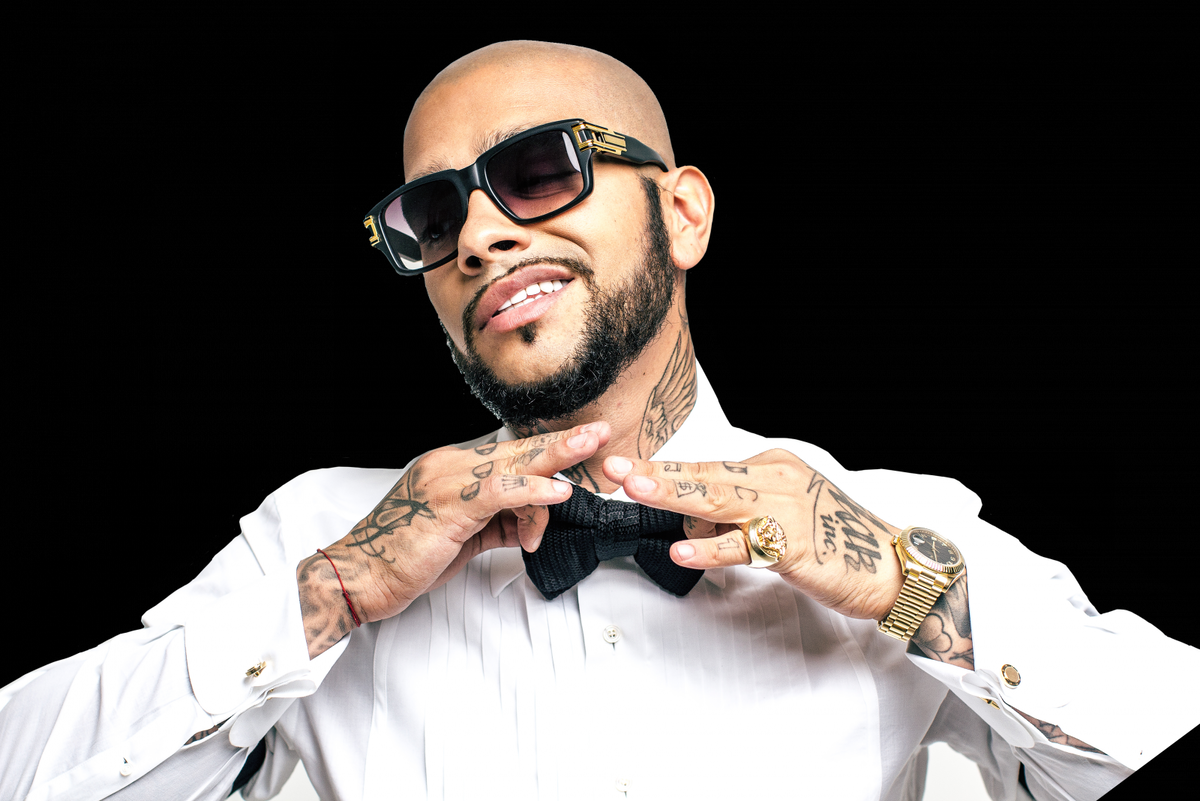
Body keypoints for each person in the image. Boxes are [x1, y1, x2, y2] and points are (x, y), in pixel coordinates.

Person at [3, 40, 1196, 801]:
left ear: (683, 214)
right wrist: (331, 593)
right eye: (434, 216)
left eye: (537, 171)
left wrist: (910, 590)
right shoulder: (323, 532)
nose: (481, 238)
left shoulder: (902, 529)